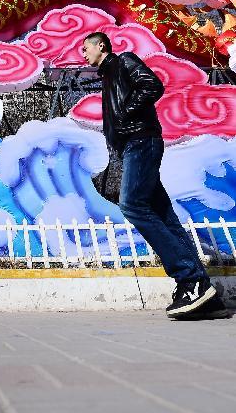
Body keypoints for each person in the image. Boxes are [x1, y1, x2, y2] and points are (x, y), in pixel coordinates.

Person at [82, 31, 226, 319]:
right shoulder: (109, 76)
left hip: (141, 140)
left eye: (86, 48)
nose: (83, 54)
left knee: (132, 205)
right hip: (132, 145)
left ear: (101, 46)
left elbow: (152, 85)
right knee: (162, 214)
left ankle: (190, 277)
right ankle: (202, 292)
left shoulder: (123, 62)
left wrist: (124, 114)